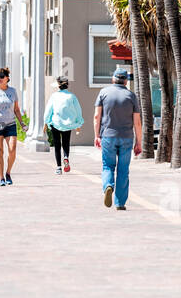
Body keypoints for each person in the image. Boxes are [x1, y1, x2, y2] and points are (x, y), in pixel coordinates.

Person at [93, 68, 142, 211]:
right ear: (126, 81)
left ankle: (108, 185)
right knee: (123, 169)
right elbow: (137, 122)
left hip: (108, 136)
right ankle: (120, 203)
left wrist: (97, 135)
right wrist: (139, 142)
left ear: (113, 79)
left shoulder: (103, 93)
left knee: (108, 166)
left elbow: (97, 117)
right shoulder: (131, 96)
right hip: (126, 137)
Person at [0, 67, 23, 186]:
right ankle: (1, 177)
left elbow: (16, 109)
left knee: (12, 150)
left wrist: (22, 123)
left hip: (10, 124)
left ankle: (8, 173)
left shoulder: (12, 91)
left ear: (7, 78)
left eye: (2, 76)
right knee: (0, 152)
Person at [43, 76, 84, 174]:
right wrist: (78, 123)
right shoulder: (72, 96)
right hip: (68, 124)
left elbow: (48, 110)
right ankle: (66, 157)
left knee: (57, 145)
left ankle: (58, 168)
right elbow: (78, 110)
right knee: (66, 143)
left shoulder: (54, 96)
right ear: (67, 85)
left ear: (58, 86)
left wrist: (45, 123)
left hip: (55, 123)